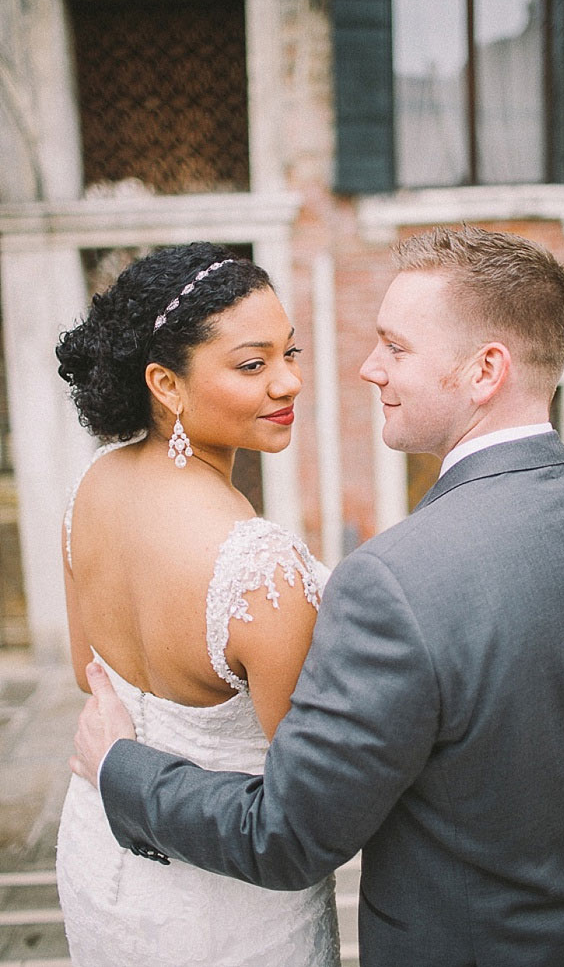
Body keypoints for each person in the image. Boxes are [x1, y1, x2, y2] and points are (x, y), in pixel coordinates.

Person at [73, 225, 564, 967]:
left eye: (395, 347)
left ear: (485, 370)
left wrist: (119, 768)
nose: (367, 369)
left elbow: (291, 833)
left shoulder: (392, 579)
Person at [54, 242, 341, 967]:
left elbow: (84, 669)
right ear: (166, 383)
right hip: (232, 907)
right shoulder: (256, 566)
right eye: (253, 364)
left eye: (290, 353)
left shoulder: (92, 484)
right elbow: (305, 805)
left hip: (100, 850)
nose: (290, 383)